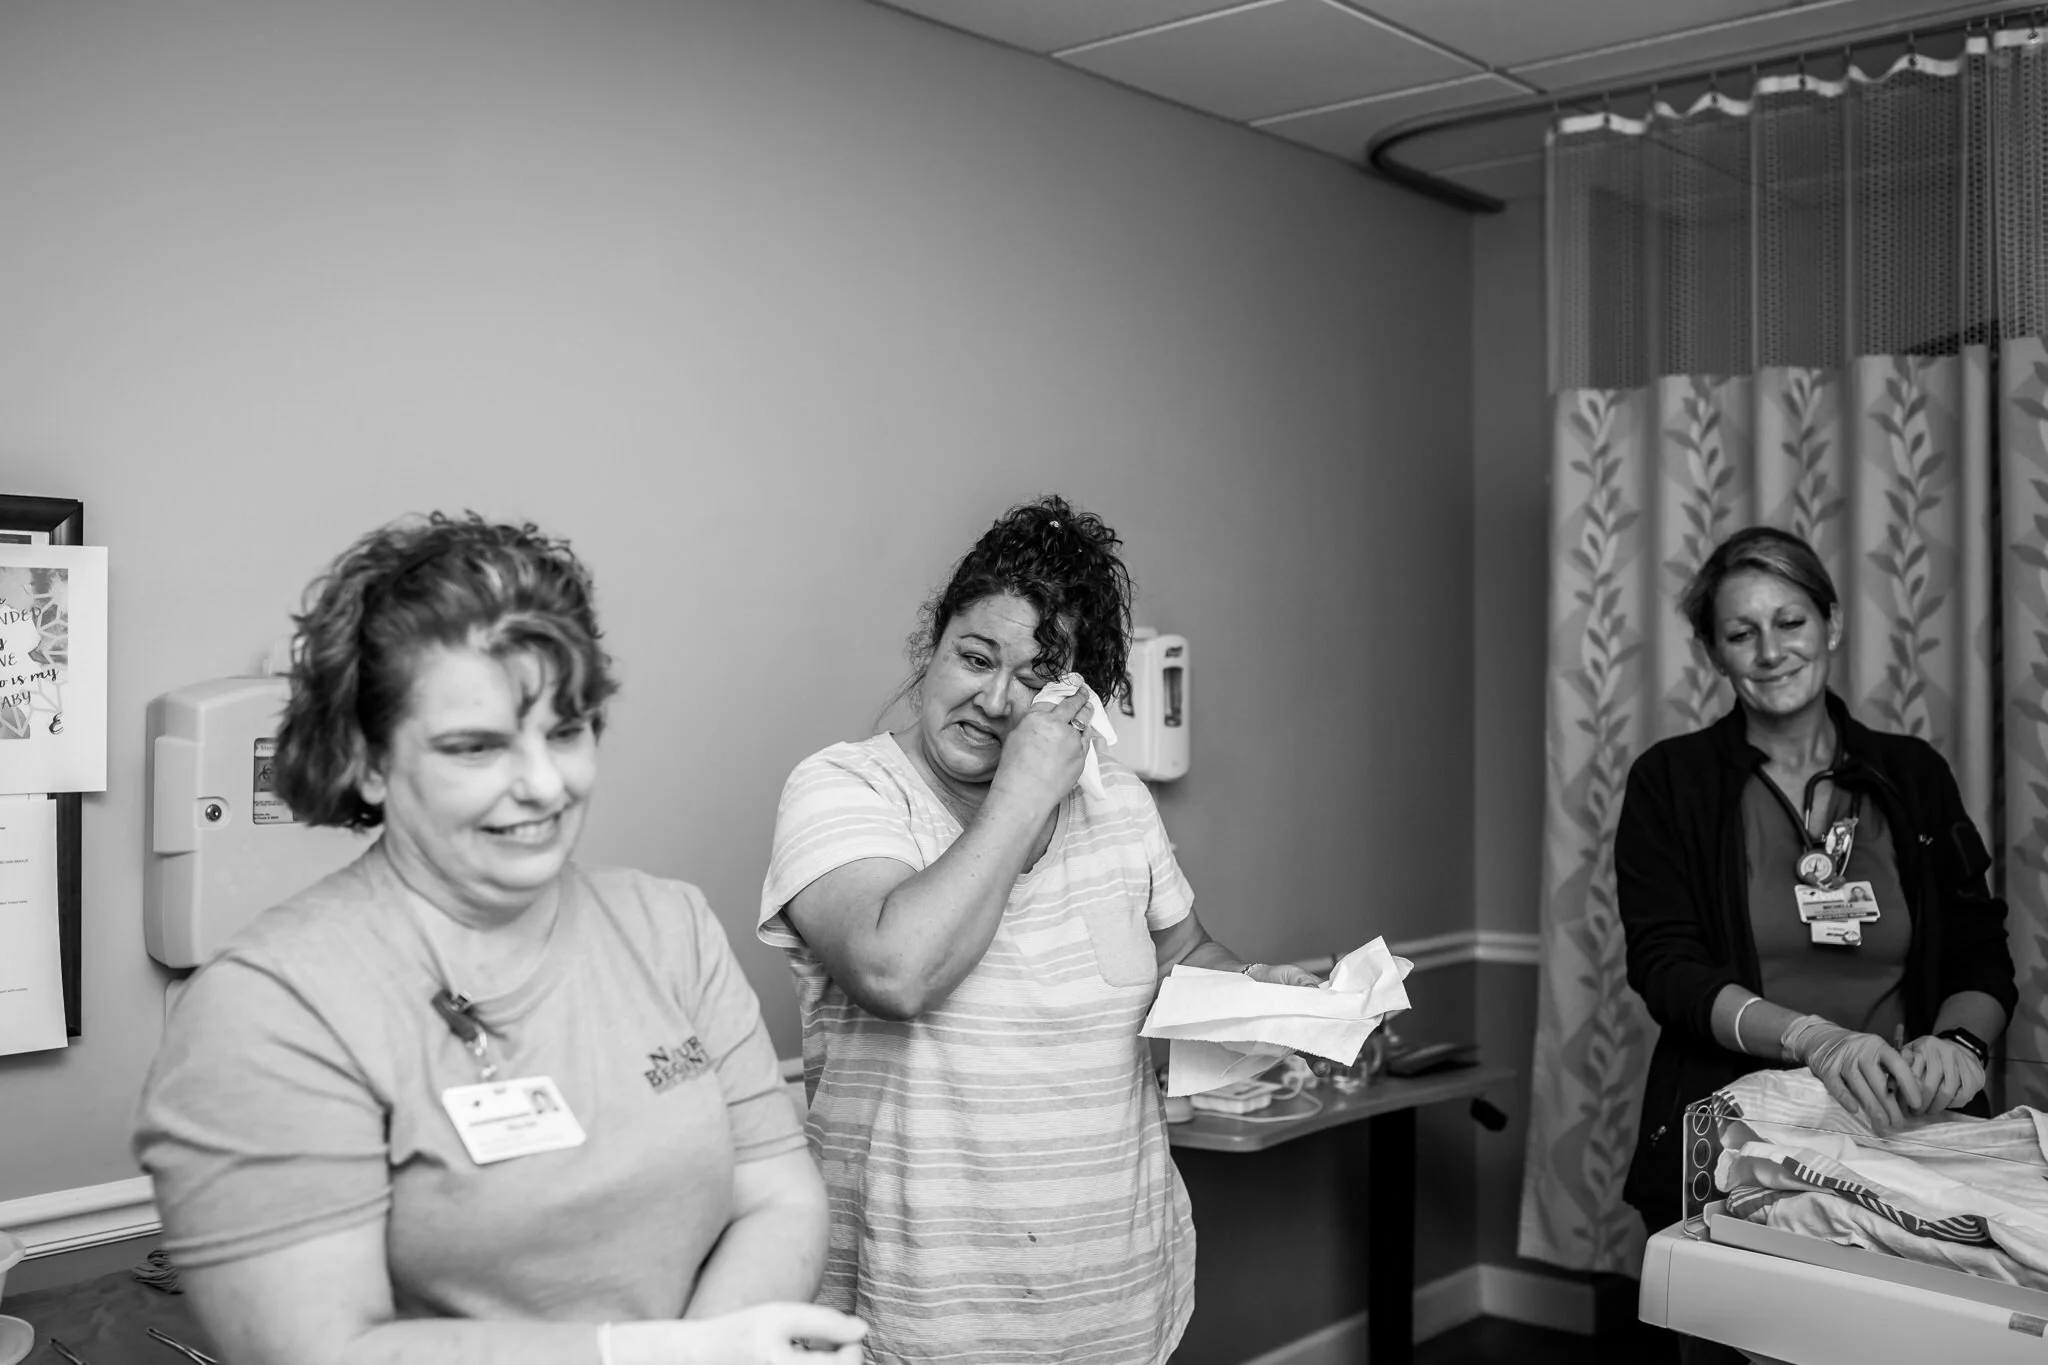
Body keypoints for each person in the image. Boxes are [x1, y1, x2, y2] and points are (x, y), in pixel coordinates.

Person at [135, 513, 865, 1365]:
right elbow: (323, 1350)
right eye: (476, 747)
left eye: (565, 730)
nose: (544, 784)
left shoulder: (668, 927)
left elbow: (779, 1197)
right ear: (369, 760)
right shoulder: (267, 1007)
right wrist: (660, 1357)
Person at [757, 495, 1318, 1364]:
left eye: (1033, 676)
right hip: (924, 1315)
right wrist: (1020, 794)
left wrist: (1268, 1000)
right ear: (932, 646)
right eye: (973, 656)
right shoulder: (843, 791)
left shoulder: (1117, 804)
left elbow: (1184, 956)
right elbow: (896, 971)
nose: (992, 697)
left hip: (1117, 1298)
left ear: (1077, 698)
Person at [1619, 525, 2016, 1246]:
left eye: (1791, 621)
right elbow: (1665, 968)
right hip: (1739, 1136)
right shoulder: (1671, 781)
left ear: (1832, 623)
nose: (1771, 652)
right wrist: (1811, 1038)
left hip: (1908, 1129)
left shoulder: (1913, 775)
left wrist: (1959, 1042)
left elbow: (1979, 949)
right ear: (1713, 653)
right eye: (1742, 633)